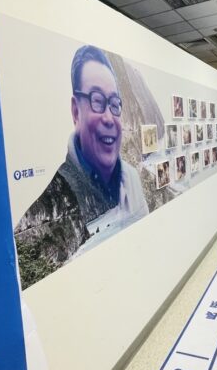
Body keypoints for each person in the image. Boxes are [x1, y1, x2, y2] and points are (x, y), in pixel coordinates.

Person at [14, 45, 149, 288]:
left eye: (114, 104)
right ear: (76, 111)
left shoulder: (131, 177)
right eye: (97, 101)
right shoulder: (51, 201)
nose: (109, 117)